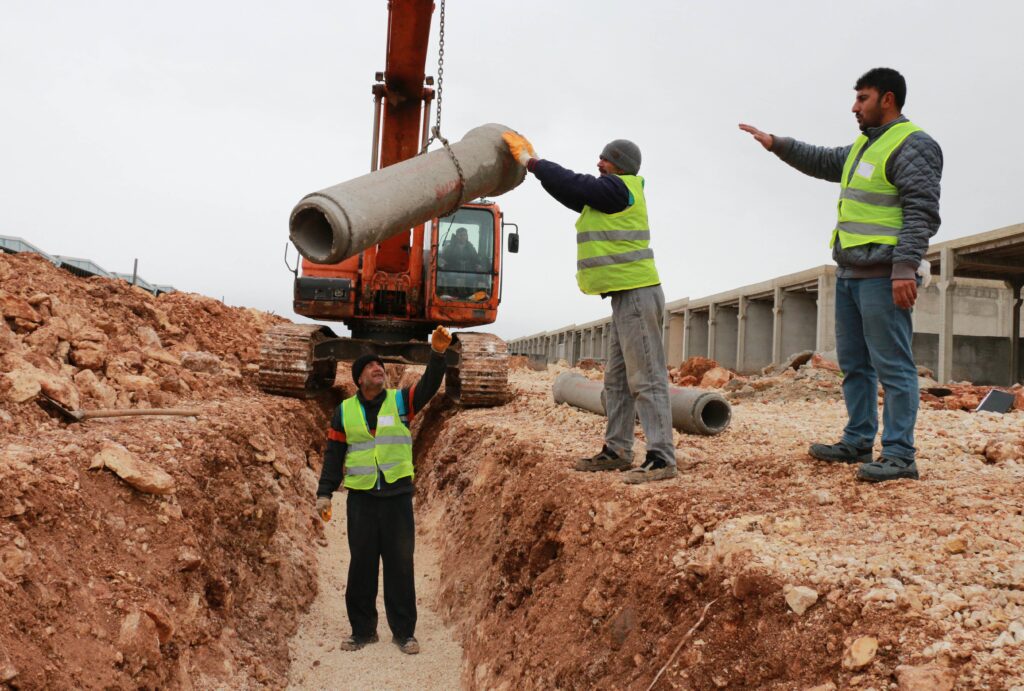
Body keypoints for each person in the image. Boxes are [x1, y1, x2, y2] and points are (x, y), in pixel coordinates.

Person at [739, 67, 943, 483]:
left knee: (894, 366)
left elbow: (921, 211)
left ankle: (901, 455)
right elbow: (821, 159)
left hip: (885, 274)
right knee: (854, 364)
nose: (854, 107)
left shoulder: (914, 145)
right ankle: (858, 440)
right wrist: (777, 144)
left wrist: (904, 268)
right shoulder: (862, 148)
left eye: (862, 98)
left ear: (887, 99)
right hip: (851, 274)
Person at [502, 132, 677, 484]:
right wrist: (537, 172)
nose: (599, 162)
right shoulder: (607, 195)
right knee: (616, 381)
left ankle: (661, 457)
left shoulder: (620, 188)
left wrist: (532, 162)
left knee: (646, 378)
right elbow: (568, 191)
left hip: (638, 294)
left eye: (605, 158)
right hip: (624, 297)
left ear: (621, 165)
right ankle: (618, 450)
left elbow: (575, 183)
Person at [315, 325, 452, 654]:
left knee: (400, 564)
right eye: (371, 366)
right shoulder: (344, 412)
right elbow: (334, 455)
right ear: (360, 378)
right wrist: (324, 492)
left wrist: (437, 355)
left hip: (396, 498)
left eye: (380, 366)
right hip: (362, 499)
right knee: (361, 565)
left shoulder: (401, 401)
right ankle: (362, 631)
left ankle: (404, 632)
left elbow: (431, 386)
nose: (379, 368)